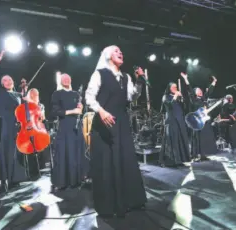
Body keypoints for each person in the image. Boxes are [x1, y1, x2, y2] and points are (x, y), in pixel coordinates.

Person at [85, 45, 147, 217]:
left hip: (121, 122)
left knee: (125, 159)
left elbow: (131, 97)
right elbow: (89, 97)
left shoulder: (126, 77)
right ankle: (109, 205)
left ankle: (130, 201)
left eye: (121, 51)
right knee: (107, 162)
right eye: (116, 51)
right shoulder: (100, 74)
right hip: (104, 123)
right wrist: (102, 111)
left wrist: (139, 80)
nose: (121, 53)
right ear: (107, 55)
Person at [0, 51, 28, 192]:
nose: (7, 81)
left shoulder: (18, 95)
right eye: (4, 80)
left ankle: (13, 179)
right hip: (2, 125)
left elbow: (24, 110)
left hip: (15, 126)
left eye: (9, 79)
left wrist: (24, 95)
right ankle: (4, 179)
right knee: (3, 152)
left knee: (14, 153)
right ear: (1, 84)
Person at [50, 73, 88, 190]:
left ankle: (77, 179)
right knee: (65, 152)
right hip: (65, 126)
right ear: (61, 81)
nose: (66, 80)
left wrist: (81, 108)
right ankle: (64, 181)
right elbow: (56, 111)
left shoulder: (76, 94)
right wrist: (73, 111)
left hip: (76, 126)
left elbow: (80, 111)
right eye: (63, 78)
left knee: (77, 151)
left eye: (68, 78)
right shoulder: (57, 94)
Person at [180, 73, 218, 161]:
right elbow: (189, 89)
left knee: (204, 138)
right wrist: (186, 79)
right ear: (195, 92)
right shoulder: (193, 99)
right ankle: (195, 155)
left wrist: (214, 82)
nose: (200, 91)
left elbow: (209, 91)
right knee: (197, 138)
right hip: (197, 122)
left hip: (204, 121)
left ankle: (203, 155)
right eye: (198, 90)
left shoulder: (204, 98)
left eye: (200, 90)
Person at [159, 80, 191, 167]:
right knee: (172, 140)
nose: (175, 88)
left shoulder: (178, 98)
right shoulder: (166, 96)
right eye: (173, 87)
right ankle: (170, 161)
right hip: (171, 120)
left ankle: (180, 160)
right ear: (169, 88)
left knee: (180, 139)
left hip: (179, 120)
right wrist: (175, 96)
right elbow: (169, 106)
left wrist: (183, 99)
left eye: (176, 87)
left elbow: (185, 107)